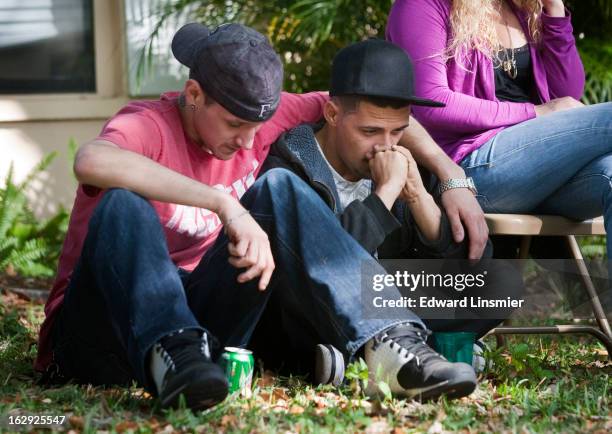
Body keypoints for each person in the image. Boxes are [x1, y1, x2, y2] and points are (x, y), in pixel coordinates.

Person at [36, 22, 478, 411]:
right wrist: (224, 203)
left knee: (279, 187)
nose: (249, 142)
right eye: (234, 125)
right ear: (194, 95)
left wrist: (448, 172)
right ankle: (172, 354)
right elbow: (92, 160)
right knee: (122, 203)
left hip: (200, 334)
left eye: (257, 126)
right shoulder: (147, 125)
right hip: (99, 333)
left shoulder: (257, 114)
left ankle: (393, 345)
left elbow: (378, 110)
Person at [259, 38, 522, 375]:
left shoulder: (404, 160)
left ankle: (388, 348)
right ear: (333, 114)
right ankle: (403, 348)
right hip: (317, 306)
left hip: (385, 297)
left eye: (397, 131)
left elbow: (468, 267)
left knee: (500, 284)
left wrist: (419, 199)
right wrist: (383, 195)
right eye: (370, 131)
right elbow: (329, 264)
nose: (384, 146)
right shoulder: (291, 164)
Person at [386, 0, 612, 265]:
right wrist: (537, 112)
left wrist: (555, 11)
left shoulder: (523, 9)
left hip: (541, 173)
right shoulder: (423, 5)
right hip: (471, 167)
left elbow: (566, 95)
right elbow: (432, 104)